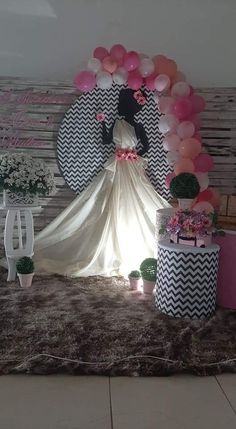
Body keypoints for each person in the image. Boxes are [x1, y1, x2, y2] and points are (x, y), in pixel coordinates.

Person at [34, 88, 171, 277]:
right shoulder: (117, 122)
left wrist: (133, 154)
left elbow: (146, 146)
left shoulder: (138, 125)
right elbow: (107, 140)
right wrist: (103, 124)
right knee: (111, 199)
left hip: (131, 166)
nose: (134, 108)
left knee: (138, 199)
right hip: (118, 165)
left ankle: (134, 244)